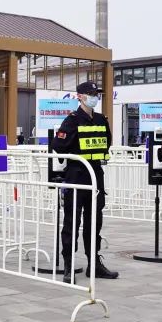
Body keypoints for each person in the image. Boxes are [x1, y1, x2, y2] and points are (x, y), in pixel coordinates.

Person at [50, 81, 118, 280]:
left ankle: (94, 263)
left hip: (96, 175)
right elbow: (58, 145)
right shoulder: (72, 120)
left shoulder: (101, 119)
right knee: (72, 222)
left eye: (96, 93)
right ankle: (68, 266)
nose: (95, 96)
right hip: (77, 175)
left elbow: (107, 143)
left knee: (94, 222)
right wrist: (77, 155)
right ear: (79, 96)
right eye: (90, 93)